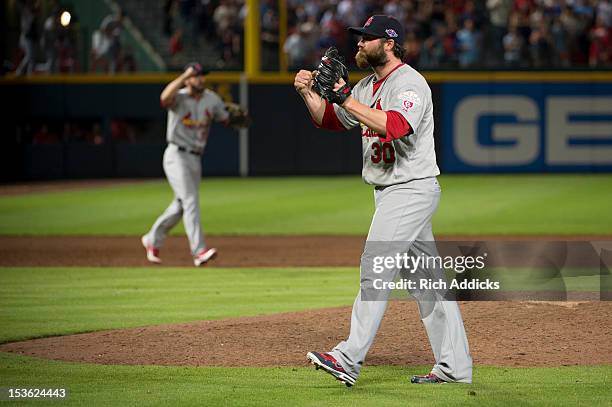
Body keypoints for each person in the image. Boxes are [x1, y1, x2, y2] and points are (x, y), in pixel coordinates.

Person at [294, 15, 472, 386]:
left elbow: (395, 126)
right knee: (428, 285)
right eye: (358, 38)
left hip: (411, 189)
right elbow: (331, 119)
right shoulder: (366, 86)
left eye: (366, 38)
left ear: (389, 43)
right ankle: (455, 367)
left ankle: (348, 357)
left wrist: (343, 95)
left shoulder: (410, 83)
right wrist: (309, 93)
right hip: (392, 191)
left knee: (376, 263)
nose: (358, 44)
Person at [142, 62, 228, 267]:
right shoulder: (178, 97)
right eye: (196, 75)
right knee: (190, 200)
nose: (201, 79)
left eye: (202, 76)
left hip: (195, 158)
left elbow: (225, 117)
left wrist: (234, 117)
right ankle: (199, 252)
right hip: (176, 155)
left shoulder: (212, 99)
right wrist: (184, 75)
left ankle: (152, 239)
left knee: (181, 205)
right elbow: (164, 98)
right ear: (188, 78)